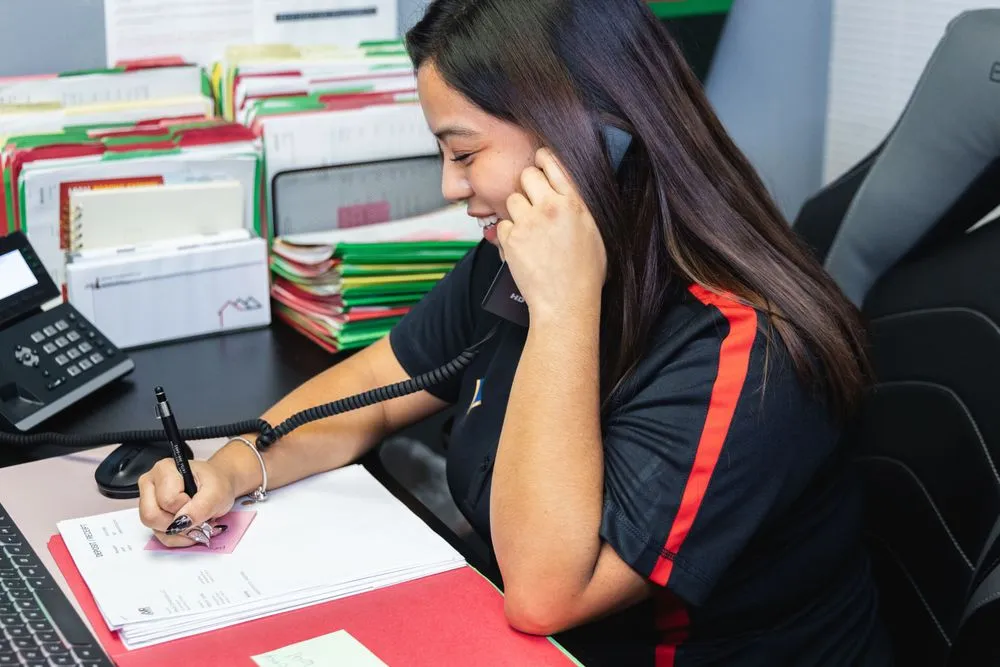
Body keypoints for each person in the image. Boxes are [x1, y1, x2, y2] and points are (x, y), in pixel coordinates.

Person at [137, 0, 893, 664]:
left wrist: (561, 307)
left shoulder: (744, 351)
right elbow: (376, 385)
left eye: (464, 153)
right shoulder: (513, 258)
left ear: (589, 135)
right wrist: (234, 470)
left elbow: (544, 593)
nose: (449, 186)